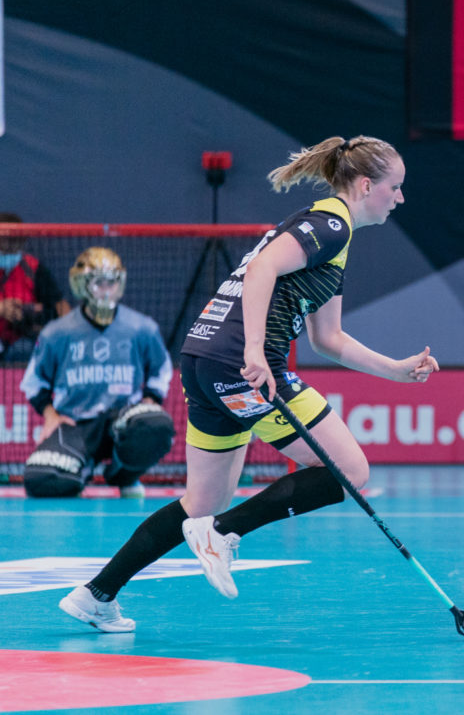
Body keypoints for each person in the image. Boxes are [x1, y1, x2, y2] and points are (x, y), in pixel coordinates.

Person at [58, 135, 439, 634]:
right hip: (241, 364)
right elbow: (261, 269)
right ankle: (222, 534)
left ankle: (96, 594)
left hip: (204, 360)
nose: (401, 198)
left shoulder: (329, 237)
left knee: (200, 503)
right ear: (367, 185)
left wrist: (396, 369)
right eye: (397, 187)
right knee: (348, 469)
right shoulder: (331, 226)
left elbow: (329, 339)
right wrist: (256, 350)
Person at [20, 247, 175, 499]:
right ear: (81, 285)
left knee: (156, 425)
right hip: (75, 424)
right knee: (42, 480)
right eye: (99, 283)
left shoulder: (142, 328)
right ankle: (80, 469)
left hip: (124, 422)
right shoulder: (57, 333)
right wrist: (50, 416)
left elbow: (162, 370)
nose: (106, 290)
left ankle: (124, 474)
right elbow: (35, 383)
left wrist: (150, 400)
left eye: (111, 283)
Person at [0, 213, 71, 362]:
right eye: (4, 241)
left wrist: (30, 311)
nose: (9, 246)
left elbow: (60, 305)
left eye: (15, 240)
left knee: (27, 348)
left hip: (23, 340)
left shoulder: (33, 268)